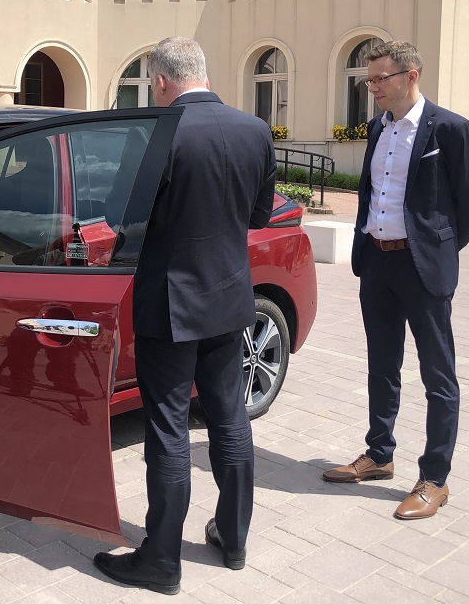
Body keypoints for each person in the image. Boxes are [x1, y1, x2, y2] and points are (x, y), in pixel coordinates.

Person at [93, 37, 277, 594]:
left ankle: (161, 559)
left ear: (161, 81)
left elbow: (122, 216)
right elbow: (258, 215)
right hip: (229, 299)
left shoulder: (159, 131)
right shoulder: (254, 130)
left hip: (170, 305)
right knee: (230, 419)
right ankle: (234, 538)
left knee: (169, 429)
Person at [322, 40, 469, 520]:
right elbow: (372, 192)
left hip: (422, 268)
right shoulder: (378, 127)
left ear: (410, 76)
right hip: (377, 263)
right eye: (369, 79)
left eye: (380, 78)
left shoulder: (451, 129)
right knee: (381, 363)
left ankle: (435, 477)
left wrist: (435, 249)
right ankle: (379, 453)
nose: (371, 87)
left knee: (437, 373)